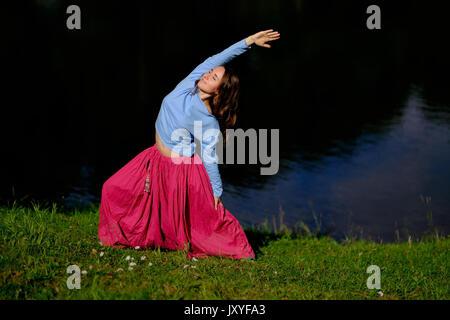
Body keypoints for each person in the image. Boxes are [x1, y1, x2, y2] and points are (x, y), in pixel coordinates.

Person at [98, 30, 281, 261]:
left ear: (218, 92)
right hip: (153, 159)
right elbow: (217, 58)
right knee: (112, 188)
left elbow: (209, 157)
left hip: (180, 170)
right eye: (210, 73)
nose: (207, 75)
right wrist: (248, 42)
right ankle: (122, 234)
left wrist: (216, 190)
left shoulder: (209, 122)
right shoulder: (188, 85)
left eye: (213, 78)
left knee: (195, 223)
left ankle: (238, 249)